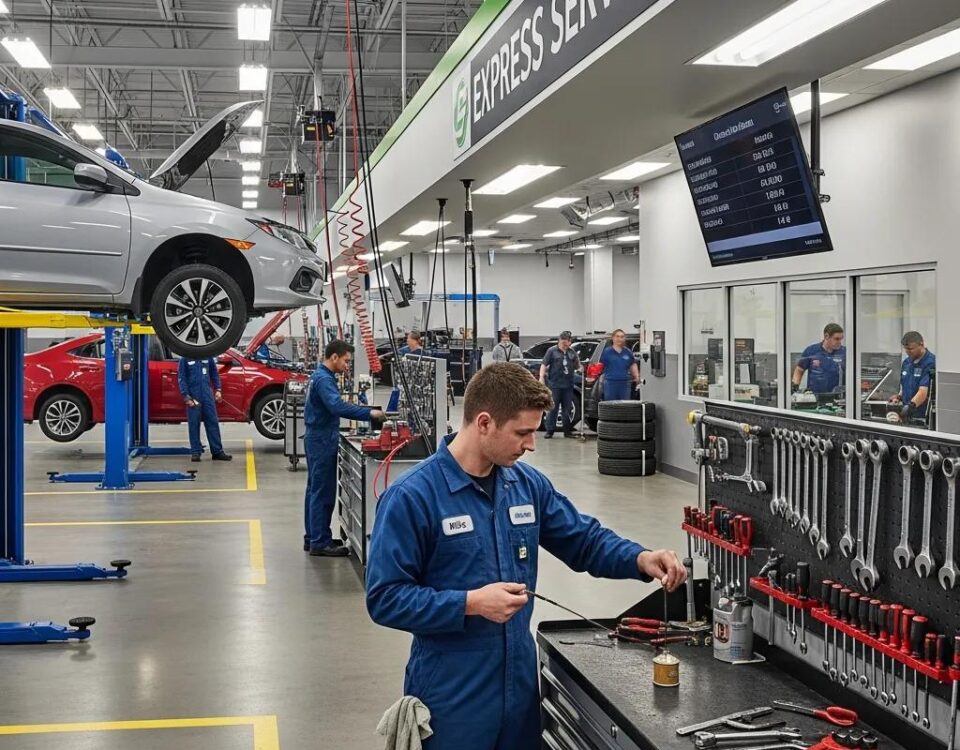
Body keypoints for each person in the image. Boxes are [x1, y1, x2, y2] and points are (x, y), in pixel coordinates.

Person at [366, 363, 686, 750]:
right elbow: (385, 597)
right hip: (452, 694)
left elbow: (583, 539)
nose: (532, 444)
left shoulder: (525, 485)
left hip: (519, 690)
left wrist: (639, 558)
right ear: (484, 423)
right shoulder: (414, 497)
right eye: (523, 432)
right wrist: (469, 604)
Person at [304, 340, 384, 556]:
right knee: (323, 492)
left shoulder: (321, 376)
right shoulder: (323, 379)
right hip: (322, 439)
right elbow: (336, 406)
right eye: (346, 361)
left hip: (317, 436)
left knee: (314, 490)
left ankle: (313, 536)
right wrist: (369, 413)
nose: (347, 365)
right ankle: (320, 543)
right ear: (334, 357)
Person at [177, 356, 232, 463]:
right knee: (194, 424)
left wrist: (218, 389)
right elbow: (181, 378)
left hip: (207, 394)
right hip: (193, 395)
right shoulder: (185, 358)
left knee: (212, 422)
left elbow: (214, 373)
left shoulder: (208, 356)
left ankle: (217, 452)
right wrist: (186, 396)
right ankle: (195, 452)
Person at [539, 331, 580, 438]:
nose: (564, 344)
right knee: (553, 408)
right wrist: (541, 377)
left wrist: (580, 367)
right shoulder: (552, 351)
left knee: (567, 409)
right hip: (555, 385)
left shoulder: (572, 352)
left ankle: (567, 431)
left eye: (567, 342)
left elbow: (577, 366)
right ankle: (550, 431)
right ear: (559, 340)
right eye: (562, 342)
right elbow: (544, 364)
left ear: (569, 342)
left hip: (568, 385)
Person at [890, 331, 936, 422]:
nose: (908, 352)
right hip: (907, 415)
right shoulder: (907, 362)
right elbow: (905, 386)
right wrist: (899, 397)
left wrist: (910, 407)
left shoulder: (931, 363)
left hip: (921, 417)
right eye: (905, 349)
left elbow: (923, 392)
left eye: (911, 349)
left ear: (921, 344)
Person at [792, 323, 846, 395]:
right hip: (814, 397)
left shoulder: (844, 352)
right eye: (836, 339)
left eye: (841, 339)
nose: (839, 342)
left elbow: (852, 374)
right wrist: (795, 387)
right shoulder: (811, 351)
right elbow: (799, 370)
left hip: (837, 397)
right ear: (826, 336)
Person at [600, 328, 639, 401]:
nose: (619, 339)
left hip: (625, 384)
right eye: (617, 336)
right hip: (610, 384)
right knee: (611, 406)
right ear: (613, 338)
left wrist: (636, 376)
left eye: (622, 337)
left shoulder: (628, 352)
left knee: (624, 406)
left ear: (624, 338)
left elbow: (633, 364)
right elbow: (601, 366)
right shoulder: (607, 352)